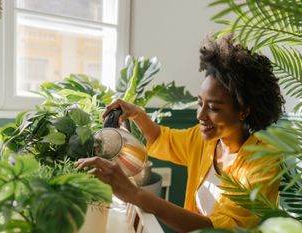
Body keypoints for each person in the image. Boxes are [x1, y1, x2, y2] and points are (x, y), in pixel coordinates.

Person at [76, 34, 285, 232]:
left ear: (244, 111)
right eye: (199, 103)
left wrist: (134, 194)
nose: (200, 115)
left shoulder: (263, 162)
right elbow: (161, 138)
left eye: (213, 108)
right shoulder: (205, 141)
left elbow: (218, 230)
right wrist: (138, 114)